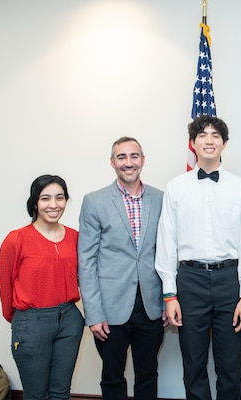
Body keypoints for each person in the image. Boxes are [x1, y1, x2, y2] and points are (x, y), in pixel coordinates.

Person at [155, 115, 241, 400]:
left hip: (230, 281)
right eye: (202, 135)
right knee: (194, 364)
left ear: (224, 143)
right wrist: (170, 294)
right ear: (193, 143)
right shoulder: (176, 187)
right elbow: (166, 242)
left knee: (230, 366)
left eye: (215, 135)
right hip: (189, 281)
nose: (209, 140)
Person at [78, 137, 165, 400]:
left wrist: (167, 301)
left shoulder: (161, 199)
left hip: (151, 306)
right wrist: (93, 314)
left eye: (134, 156)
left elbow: (167, 254)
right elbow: (86, 260)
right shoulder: (94, 201)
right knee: (113, 376)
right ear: (113, 162)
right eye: (122, 157)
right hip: (109, 308)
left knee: (148, 372)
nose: (129, 163)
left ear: (143, 160)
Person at [0, 174, 84, 400]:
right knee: (36, 395)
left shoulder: (76, 238)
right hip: (31, 322)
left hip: (69, 321)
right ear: (35, 202)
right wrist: (20, 321)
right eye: (45, 198)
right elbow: (5, 285)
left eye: (60, 198)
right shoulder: (16, 239)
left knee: (61, 393)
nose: (54, 205)